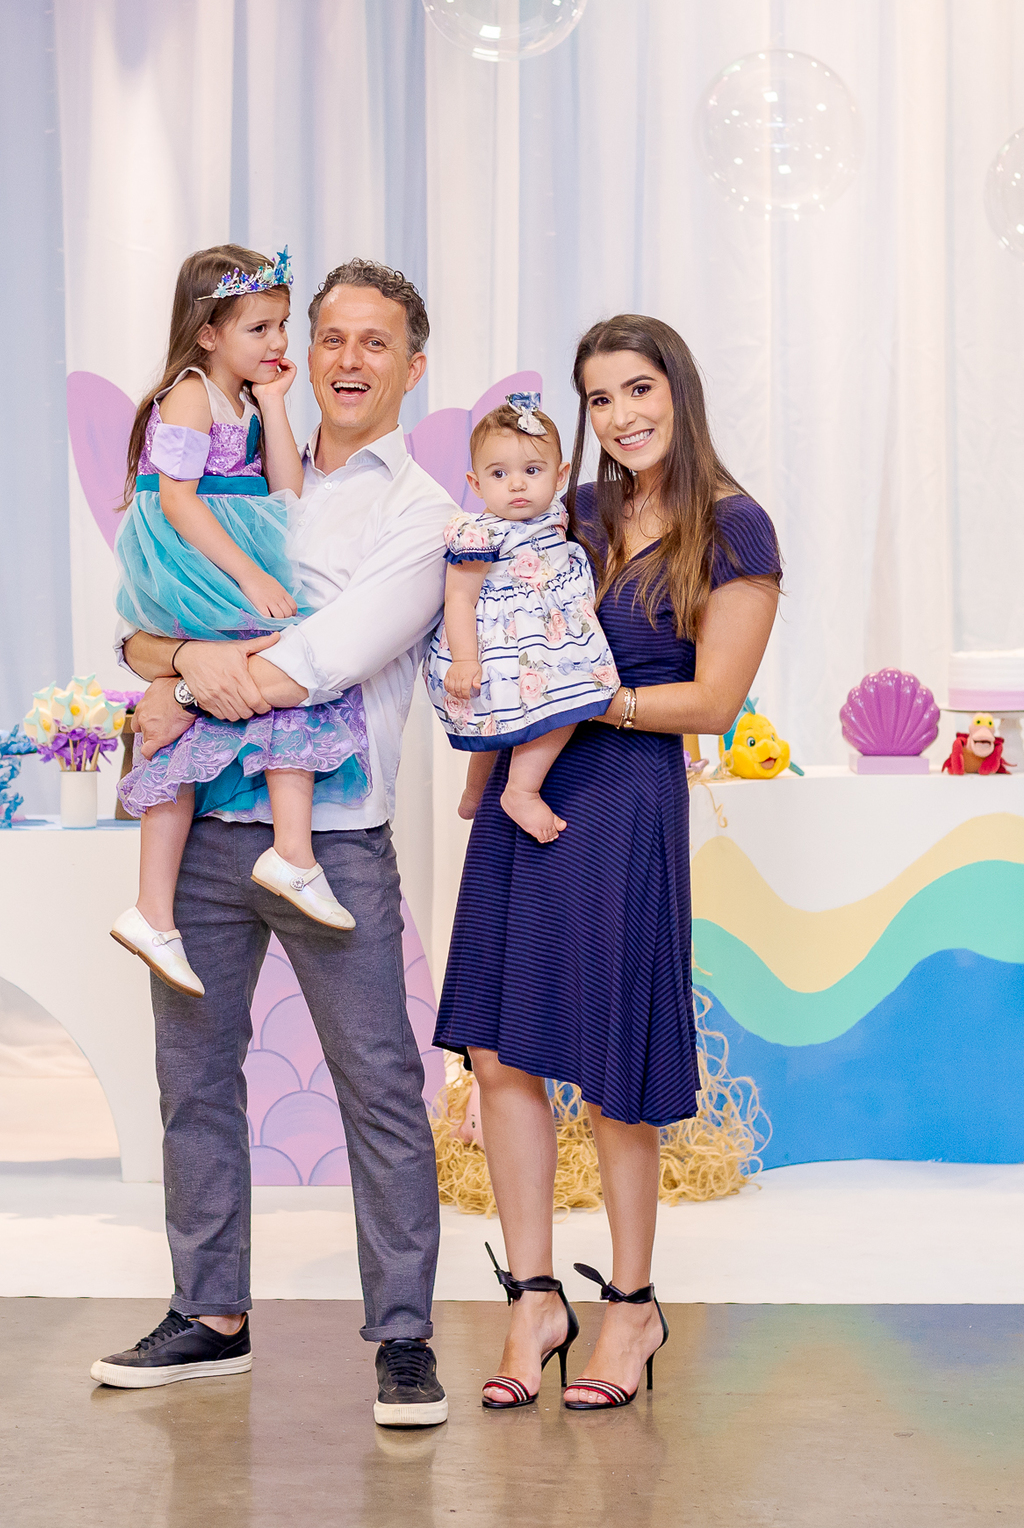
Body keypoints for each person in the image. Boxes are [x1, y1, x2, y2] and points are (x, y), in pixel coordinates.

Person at [90, 258, 455, 1430]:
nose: (346, 358)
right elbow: (141, 622)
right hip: (204, 825)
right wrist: (170, 657)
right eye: (330, 335)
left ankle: (403, 1335)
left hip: (330, 838)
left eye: (374, 341)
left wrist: (183, 671)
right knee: (192, 1074)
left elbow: (323, 658)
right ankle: (209, 1315)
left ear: (413, 365)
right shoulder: (240, 447)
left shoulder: (424, 514)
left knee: (380, 1084)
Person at [432, 314, 782, 1413]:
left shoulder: (735, 527)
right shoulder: (569, 508)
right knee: (500, 1055)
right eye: (599, 398)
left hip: (622, 802)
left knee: (615, 1065)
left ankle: (631, 1305)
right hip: (518, 796)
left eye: (639, 389)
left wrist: (591, 699)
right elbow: (472, 591)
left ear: (679, 389)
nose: (622, 416)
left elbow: (714, 703)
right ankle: (535, 1299)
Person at [111, 245, 368, 1002]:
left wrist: (278, 403)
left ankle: (176, 901)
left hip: (227, 552)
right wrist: (250, 576)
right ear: (207, 334)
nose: (277, 342)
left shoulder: (247, 404)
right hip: (193, 561)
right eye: (259, 328)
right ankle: (261, 866)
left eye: (282, 326)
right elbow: (176, 499)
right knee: (289, 663)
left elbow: (286, 492)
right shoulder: (191, 395)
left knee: (228, 705)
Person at [424, 393, 618, 843]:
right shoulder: (479, 532)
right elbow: (459, 599)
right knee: (569, 696)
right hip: (503, 643)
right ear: (475, 483)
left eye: (532, 471)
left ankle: (475, 794)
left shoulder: (557, 515)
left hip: (548, 632)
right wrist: (465, 659)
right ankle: (520, 790)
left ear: (560, 476)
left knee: (507, 719)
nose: (516, 485)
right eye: (499, 474)